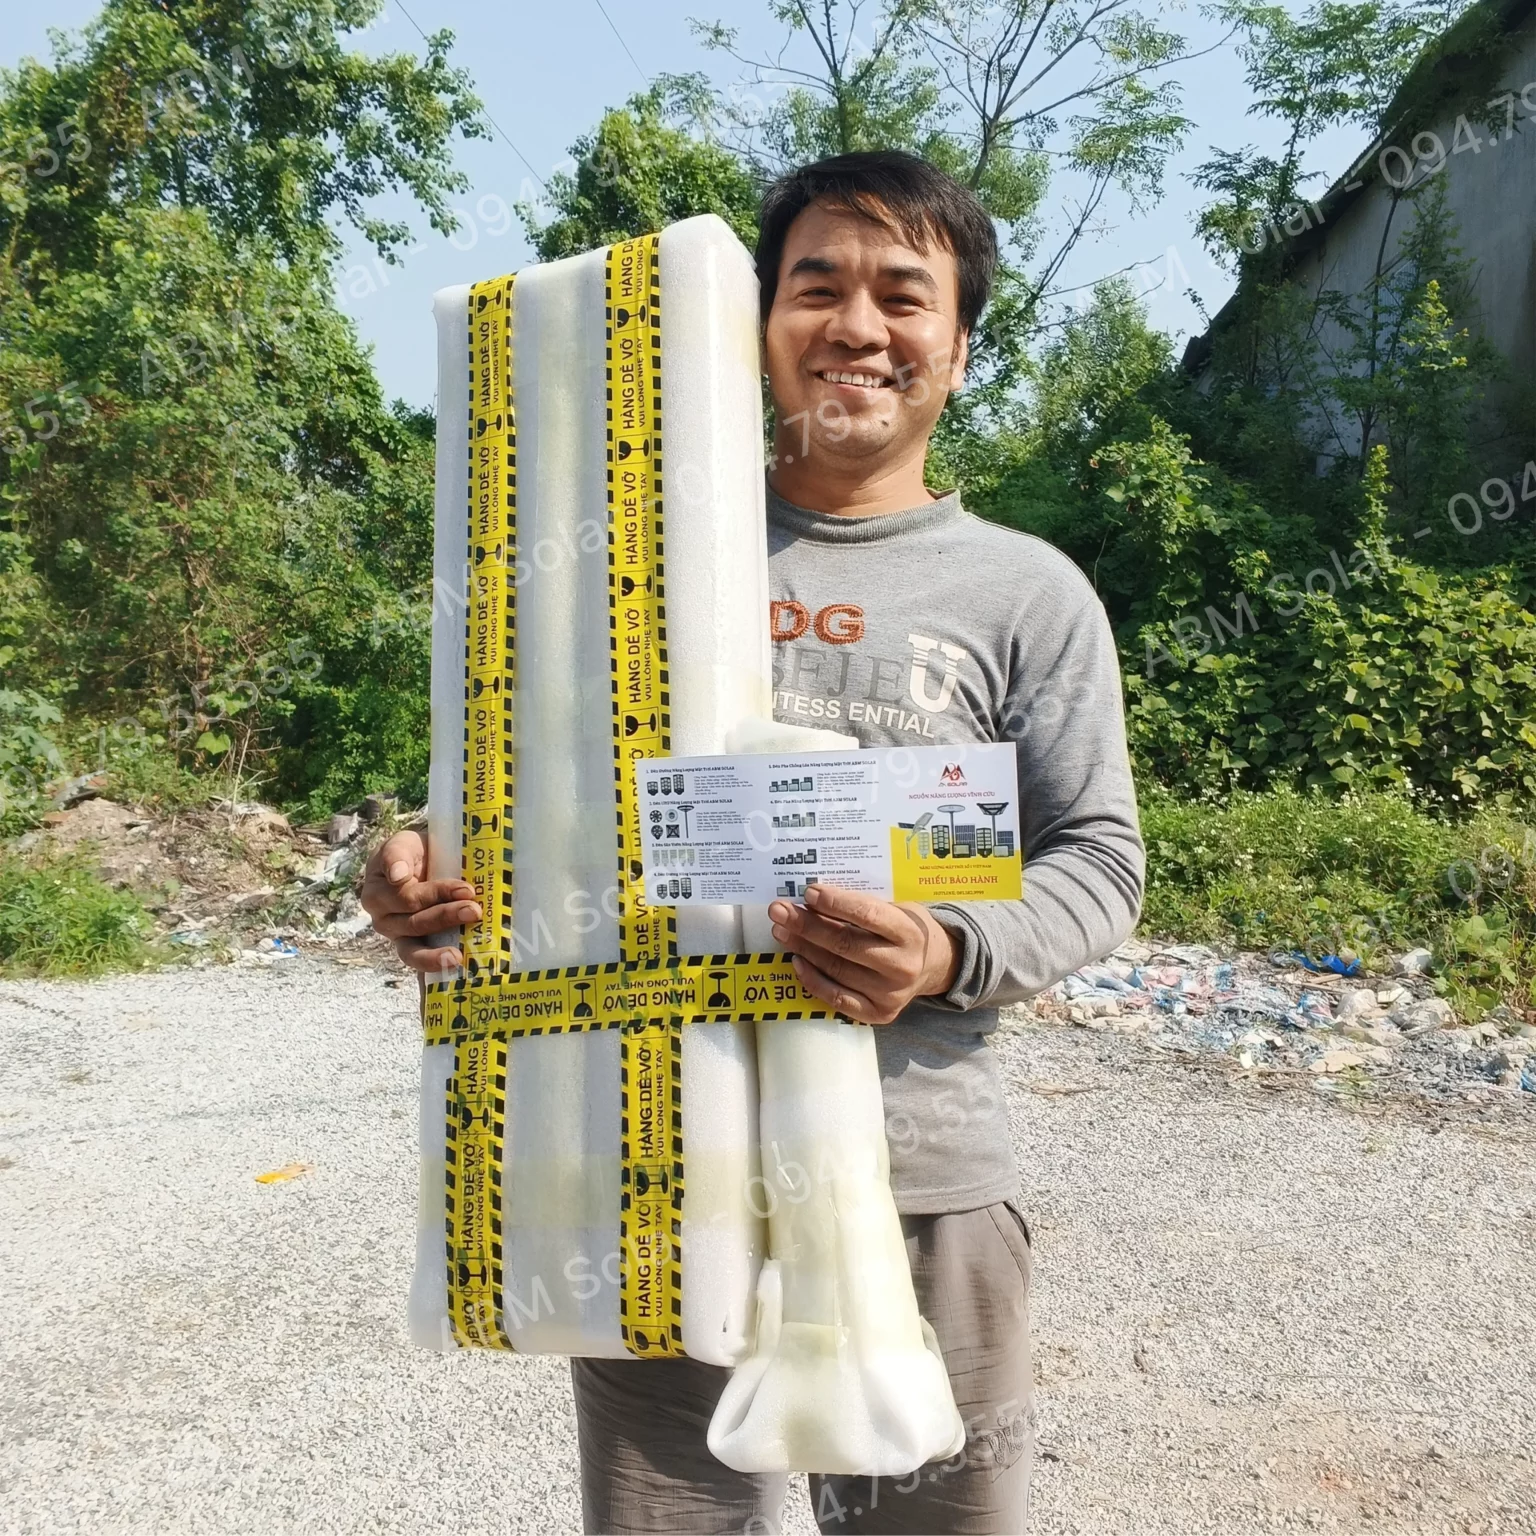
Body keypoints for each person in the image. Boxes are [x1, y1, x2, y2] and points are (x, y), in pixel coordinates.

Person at [361, 149, 1144, 1536]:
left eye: (904, 294)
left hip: (922, 1175)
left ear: (959, 349)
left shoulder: (1027, 592)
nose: (858, 325)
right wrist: (427, 859)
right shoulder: (619, 566)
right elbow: (544, 796)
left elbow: (1096, 858)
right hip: (653, 1155)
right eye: (816, 285)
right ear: (754, 321)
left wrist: (945, 948)